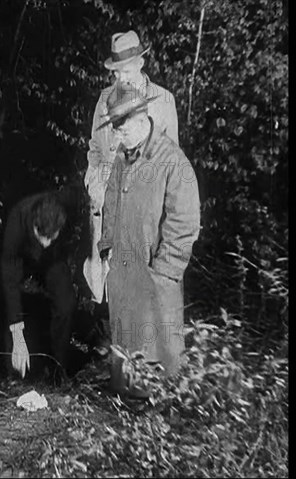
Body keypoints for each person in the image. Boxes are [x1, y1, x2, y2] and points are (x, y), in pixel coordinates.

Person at [97, 84, 200, 398]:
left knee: (159, 348)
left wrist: (165, 271)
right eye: (113, 128)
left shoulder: (172, 161)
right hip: (123, 270)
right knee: (125, 339)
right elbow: (111, 200)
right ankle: (124, 394)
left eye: (122, 126)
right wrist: (106, 245)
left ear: (142, 117)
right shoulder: (122, 158)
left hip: (154, 275)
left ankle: (159, 402)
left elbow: (185, 221)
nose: (117, 134)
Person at [84, 30, 179, 309]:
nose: (120, 78)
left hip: (142, 203)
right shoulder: (104, 100)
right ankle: (105, 336)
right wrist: (94, 182)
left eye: (125, 70)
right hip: (106, 201)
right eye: (115, 73)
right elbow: (94, 147)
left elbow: (171, 160)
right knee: (104, 275)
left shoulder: (162, 101)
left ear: (140, 63)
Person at [0, 192, 76, 381]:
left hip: (53, 258)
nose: (47, 242)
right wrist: (18, 335)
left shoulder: (63, 215)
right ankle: (14, 372)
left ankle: (58, 367)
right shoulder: (17, 222)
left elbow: (61, 245)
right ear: (34, 224)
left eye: (52, 236)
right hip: (21, 254)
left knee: (66, 303)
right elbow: (10, 283)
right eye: (43, 236)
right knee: (7, 302)